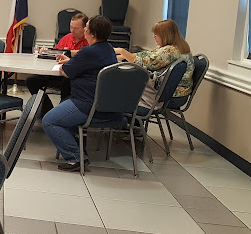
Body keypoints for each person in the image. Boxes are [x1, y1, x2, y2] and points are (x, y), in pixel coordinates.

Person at [42, 15, 117, 172]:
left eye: (86, 28)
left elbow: (66, 72)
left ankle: (75, 157)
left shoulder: (88, 51)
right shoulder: (108, 49)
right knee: (63, 107)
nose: (84, 30)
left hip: (86, 103)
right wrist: (71, 62)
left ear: (92, 34)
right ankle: (77, 145)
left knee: (49, 121)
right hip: (104, 103)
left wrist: (67, 65)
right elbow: (85, 66)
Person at [114, 19, 194, 108]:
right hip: (177, 92)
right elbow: (147, 55)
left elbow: (147, 63)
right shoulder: (179, 47)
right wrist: (124, 56)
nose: (154, 37)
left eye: (157, 34)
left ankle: (130, 117)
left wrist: (122, 51)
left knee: (123, 90)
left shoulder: (170, 51)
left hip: (170, 96)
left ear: (165, 35)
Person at [25, 12, 89, 116]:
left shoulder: (88, 40)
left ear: (84, 28)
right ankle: (48, 111)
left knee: (67, 82)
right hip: (57, 73)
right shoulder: (68, 37)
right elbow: (55, 52)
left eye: (76, 28)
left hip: (74, 76)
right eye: (71, 27)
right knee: (31, 81)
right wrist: (46, 51)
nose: (72, 30)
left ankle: (62, 114)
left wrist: (69, 52)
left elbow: (86, 54)